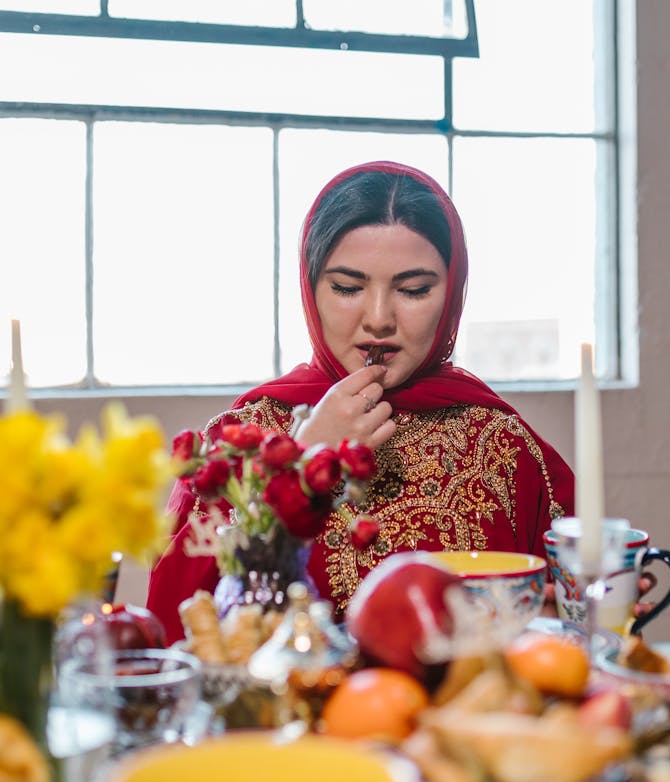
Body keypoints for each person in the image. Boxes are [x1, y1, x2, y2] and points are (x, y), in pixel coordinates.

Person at [148, 160, 575, 644]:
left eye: (414, 290)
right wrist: (299, 464)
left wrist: (597, 598)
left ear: (451, 292)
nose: (378, 319)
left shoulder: (502, 445)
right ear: (311, 289)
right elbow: (173, 633)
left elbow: (563, 621)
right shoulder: (243, 445)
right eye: (347, 288)